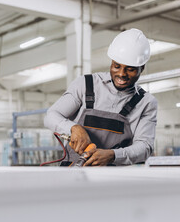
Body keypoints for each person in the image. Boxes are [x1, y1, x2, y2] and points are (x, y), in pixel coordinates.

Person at [44, 28, 158, 166]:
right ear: (111, 62)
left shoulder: (146, 103)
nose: (121, 74)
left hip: (114, 177)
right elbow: (51, 116)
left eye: (130, 69)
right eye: (116, 66)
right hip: (72, 169)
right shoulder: (86, 85)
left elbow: (145, 147)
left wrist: (113, 156)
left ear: (142, 68)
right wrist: (73, 128)